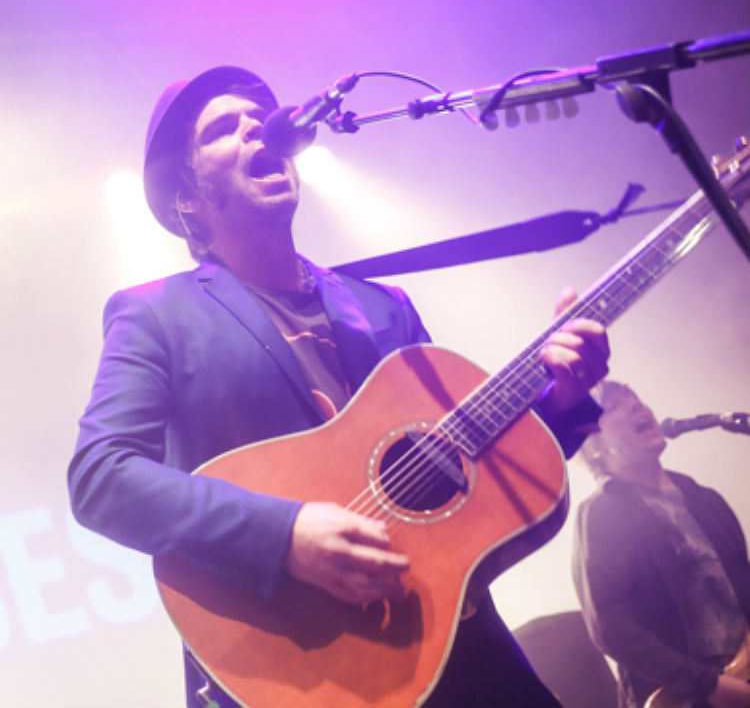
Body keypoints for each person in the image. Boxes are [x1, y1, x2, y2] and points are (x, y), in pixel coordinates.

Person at [68, 65, 611, 708]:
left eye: (259, 117)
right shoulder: (156, 314)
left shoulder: (383, 307)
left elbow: (458, 476)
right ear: (186, 197)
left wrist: (560, 403)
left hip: (457, 647)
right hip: (302, 669)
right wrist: (284, 535)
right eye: (223, 128)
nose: (256, 127)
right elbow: (101, 478)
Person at [572, 380, 750, 708]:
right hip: (686, 697)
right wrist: (707, 686)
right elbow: (610, 626)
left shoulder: (703, 497)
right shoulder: (601, 514)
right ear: (594, 445)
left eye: (636, 400)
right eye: (614, 408)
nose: (637, 407)